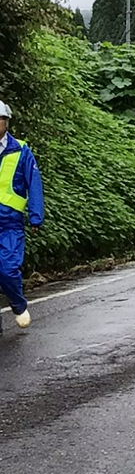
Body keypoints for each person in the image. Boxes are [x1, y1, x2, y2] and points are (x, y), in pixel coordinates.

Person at [0, 100, 43, 333]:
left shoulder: (21, 150)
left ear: (6, 122)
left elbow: (33, 184)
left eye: (0, 119)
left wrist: (36, 216)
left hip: (9, 222)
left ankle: (18, 304)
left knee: (7, 269)